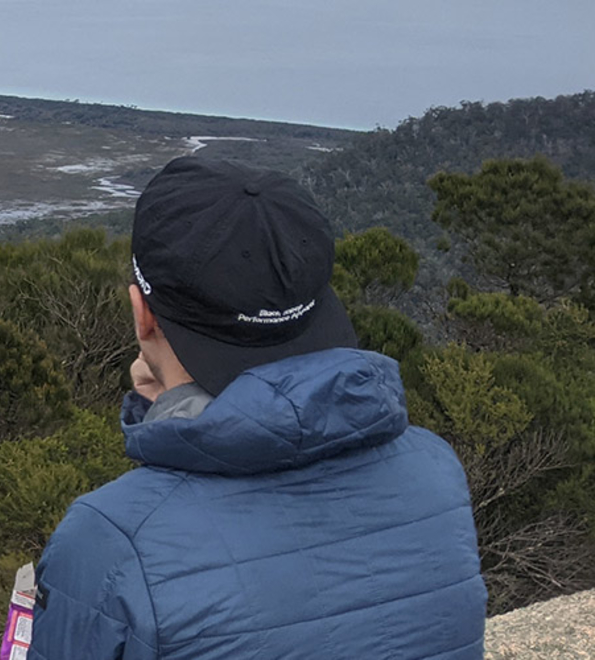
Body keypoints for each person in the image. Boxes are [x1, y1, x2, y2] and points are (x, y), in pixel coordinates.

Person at [26, 158, 487, 659]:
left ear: (142, 314)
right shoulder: (435, 470)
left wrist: (180, 424)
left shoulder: (110, 541)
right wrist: (182, 414)